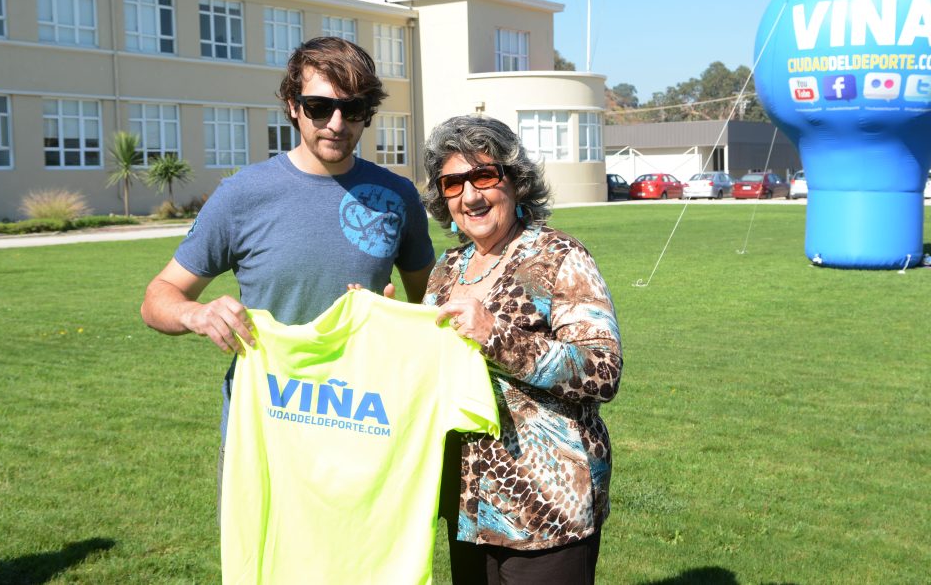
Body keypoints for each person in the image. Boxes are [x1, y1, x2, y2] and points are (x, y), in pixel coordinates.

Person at [140, 36, 435, 501]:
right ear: (292, 106)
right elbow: (159, 296)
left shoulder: (397, 196)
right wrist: (194, 315)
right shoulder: (242, 195)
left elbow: (430, 306)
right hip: (262, 436)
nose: (336, 123)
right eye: (319, 107)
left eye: (353, 109)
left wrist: (396, 320)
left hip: (361, 429)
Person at [422, 115, 623, 585]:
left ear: (515, 180)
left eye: (484, 176)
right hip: (469, 503)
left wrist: (496, 335)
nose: (471, 196)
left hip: (547, 507)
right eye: (453, 183)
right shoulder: (447, 269)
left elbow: (602, 369)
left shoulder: (559, 256)